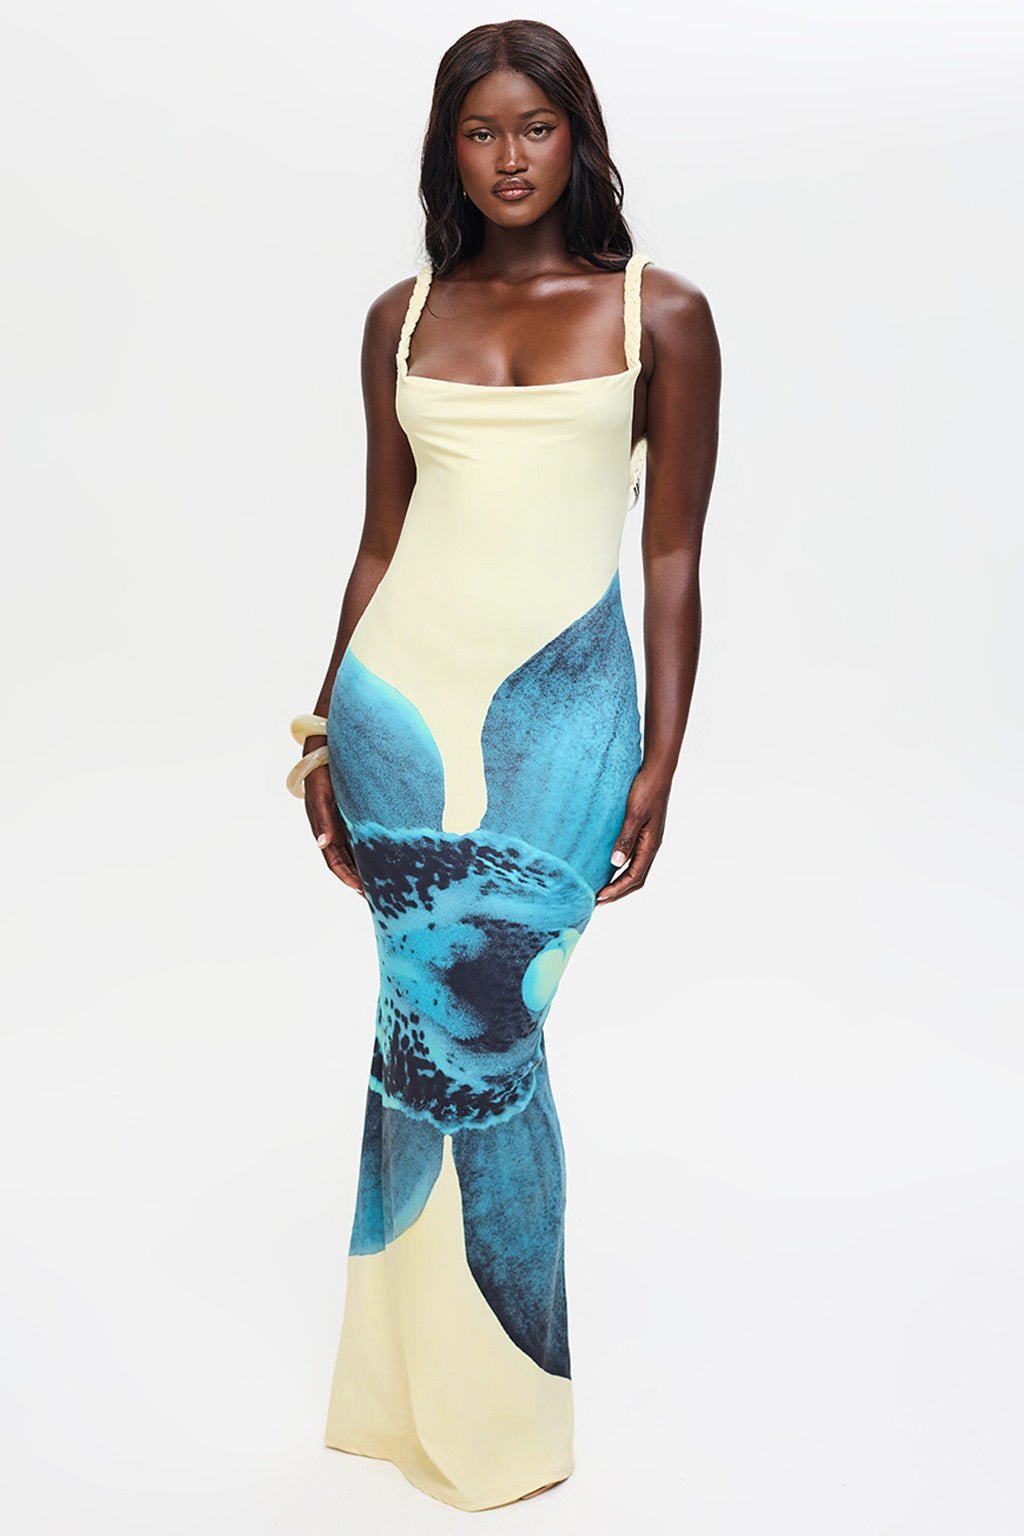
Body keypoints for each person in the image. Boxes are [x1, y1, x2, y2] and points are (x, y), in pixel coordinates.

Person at [285, 18, 721, 1513]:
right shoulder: (401, 316)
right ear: (448, 151)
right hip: (399, 705)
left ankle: (500, 1422)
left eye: (536, 126)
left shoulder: (661, 314)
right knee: (414, 1034)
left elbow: (673, 555)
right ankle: (402, 1404)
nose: (511, 156)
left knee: (493, 1030)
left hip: (564, 719)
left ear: (577, 136)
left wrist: (663, 756)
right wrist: (323, 730)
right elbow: (379, 540)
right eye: (481, 132)